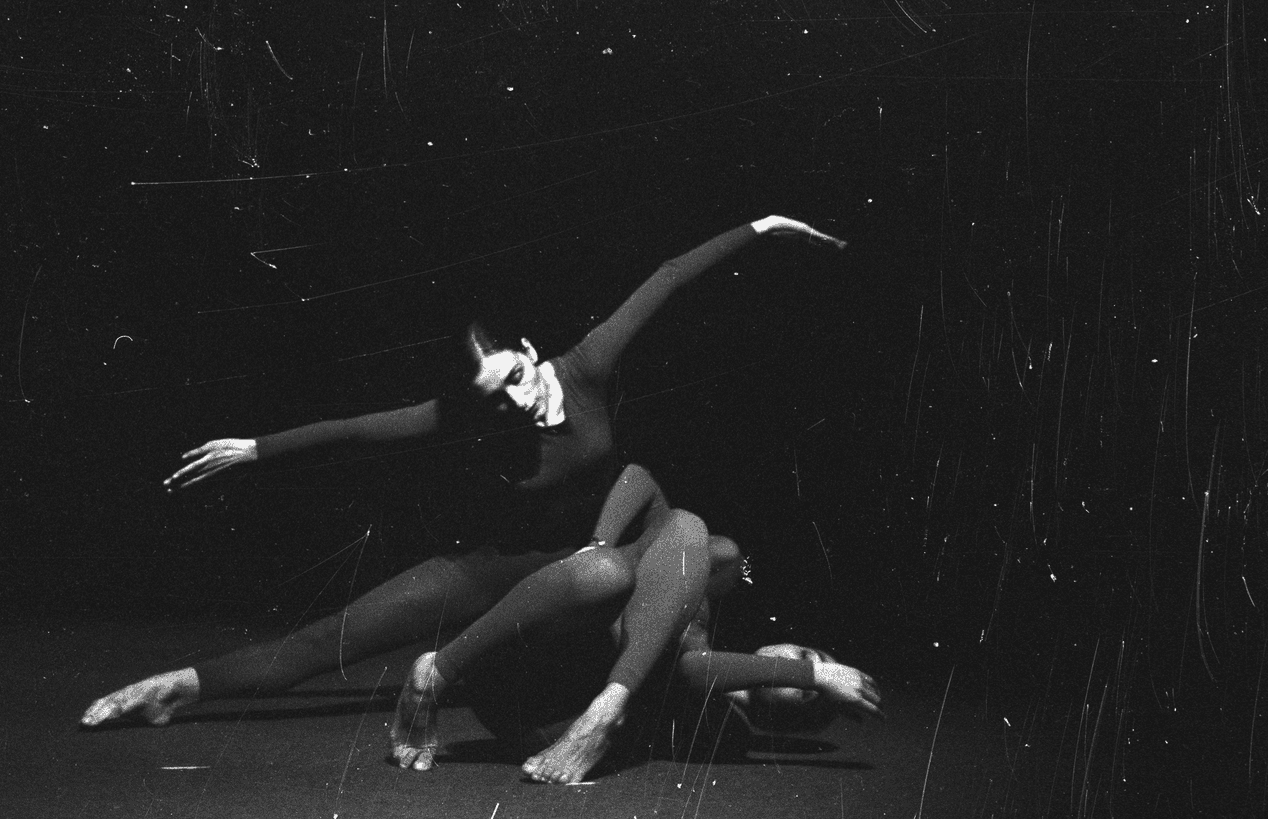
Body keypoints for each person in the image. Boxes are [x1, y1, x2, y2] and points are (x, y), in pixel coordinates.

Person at [80, 213, 847, 734]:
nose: (515, 401)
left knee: (622, 610)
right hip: (492, 570)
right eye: (495, 398)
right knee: (329, 640)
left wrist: (762, 227)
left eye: (514, 377)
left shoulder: (587, 366)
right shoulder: (472, 416)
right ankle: (178, 686)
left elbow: (670, 276)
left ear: (527, 350)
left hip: (590, 570)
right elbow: (358, 430)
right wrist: (255, 448)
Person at [389, 464, 883, 783]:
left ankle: (604, 704)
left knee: (674, 543)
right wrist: (598, 544)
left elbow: (692, 670)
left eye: (808, 692)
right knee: (629, 562)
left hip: (538, 713)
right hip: (522, 654)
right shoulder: (698, 602)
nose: (799, 666)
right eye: (805, 654)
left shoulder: (730, 727)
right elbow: (639, 478)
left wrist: (816, 675)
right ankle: (437, 671)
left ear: (786, 721)